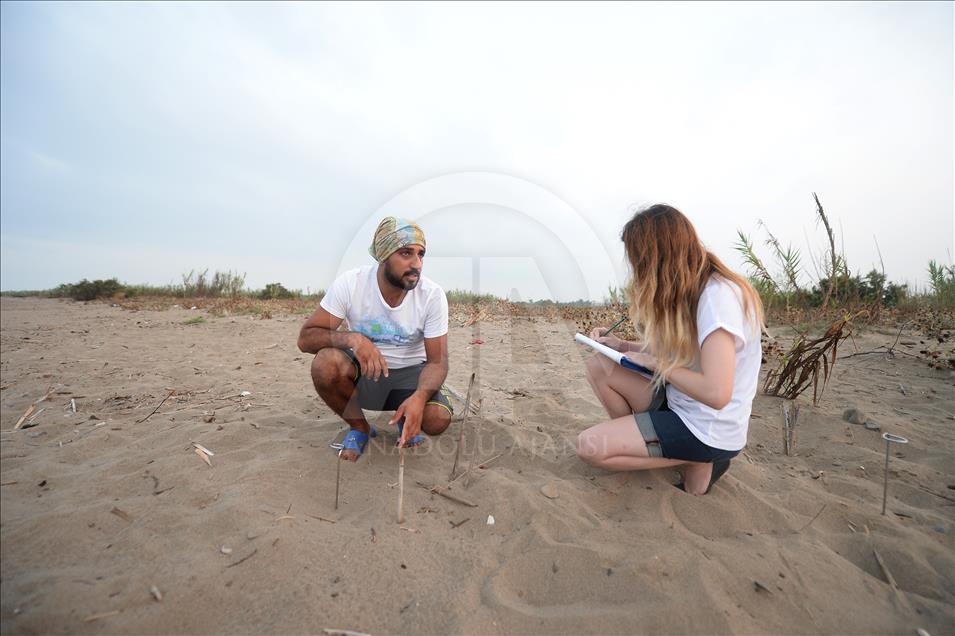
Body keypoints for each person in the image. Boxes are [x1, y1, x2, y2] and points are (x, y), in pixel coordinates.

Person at [576, 204, 763, 495]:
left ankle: (700, 459)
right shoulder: (692, 289)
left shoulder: (718, 298)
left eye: (638, 260)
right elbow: (686, 353)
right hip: (680, 401)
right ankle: (651, 443)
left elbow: (716, 394)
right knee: (601, 366)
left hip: (706, 427)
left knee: (590, 447)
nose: (636, 271)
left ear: (657, 256)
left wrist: (658, 365)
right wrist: (622, 345)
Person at [298, 217, 452, 462]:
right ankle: (360, 428)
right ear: (383, 255)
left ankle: (406, 415)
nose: (416, 264)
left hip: (411, 379)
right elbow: (306, 338)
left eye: (420, 254)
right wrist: (354, 339)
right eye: (406, 253)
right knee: (325, 364)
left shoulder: (432, 295)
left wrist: (420, 397)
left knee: (437, 420)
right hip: (366, 377)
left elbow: (437, 362)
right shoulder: (351, 284)